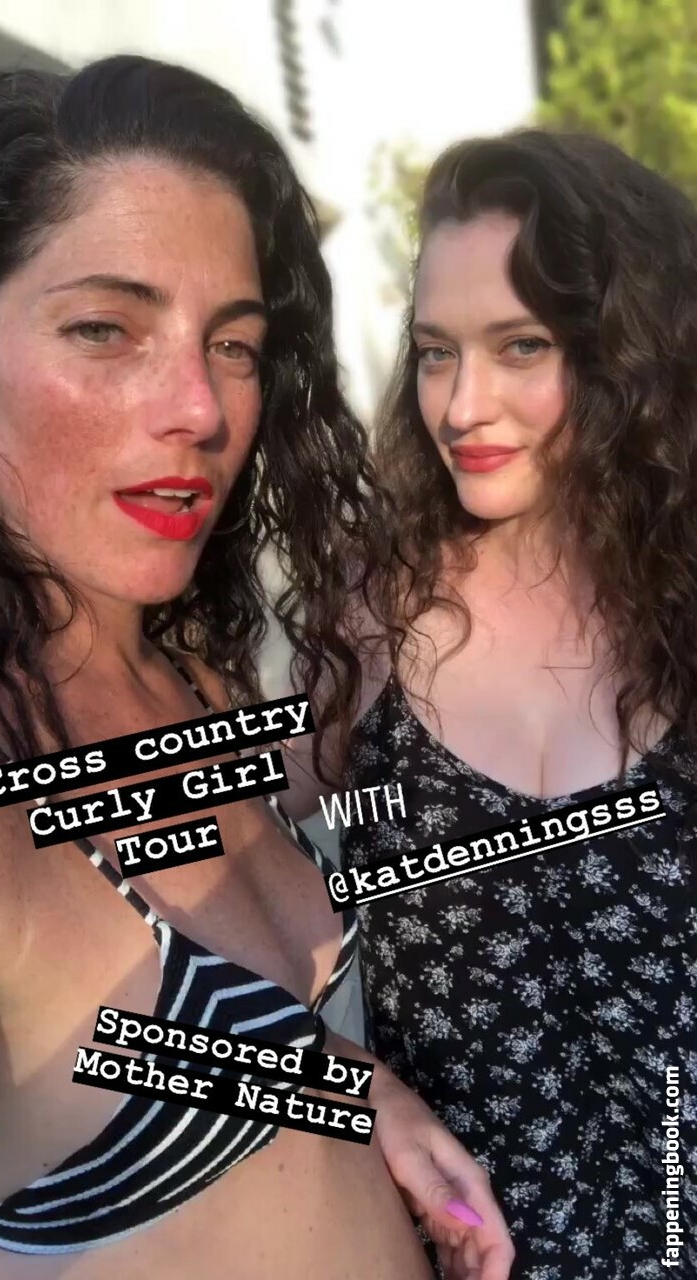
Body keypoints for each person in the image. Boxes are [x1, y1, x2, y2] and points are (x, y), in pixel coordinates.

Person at [0, 56, 515, 1280]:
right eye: (104, 327)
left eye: (234, 343)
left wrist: (356, 1091)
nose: (201, 409)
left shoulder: (195, 674)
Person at [283, 129, 697, 1279]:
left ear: (629, 354)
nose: (462, 404)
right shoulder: (374, 609)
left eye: (522, 345)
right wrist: (347, 1081)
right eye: (435, 352)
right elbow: (230, 885)